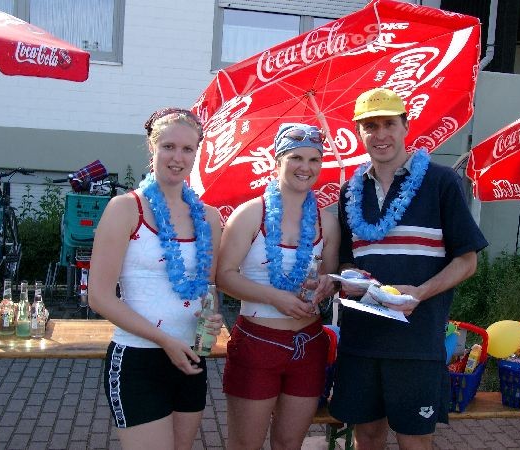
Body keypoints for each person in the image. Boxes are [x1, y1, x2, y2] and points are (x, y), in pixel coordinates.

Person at [329, 88, 488, 450]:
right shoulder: (350, 192)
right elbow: (348, 259)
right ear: (359, 132)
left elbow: (468, 261)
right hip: (361, 341)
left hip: (417, 341)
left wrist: (420, 293)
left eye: (389, 124)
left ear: (405, 127)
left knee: (414, 441)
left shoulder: (441, 182)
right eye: (370, 126)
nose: (380, 134)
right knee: (367, 437)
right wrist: (350, 277)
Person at [88, 107, 223, 450]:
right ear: (152, 147)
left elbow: (207, 290)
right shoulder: (125, 209)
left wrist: (211, 317)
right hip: (138, 358)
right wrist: (164, 340)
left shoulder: (209, 218)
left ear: (197, 153)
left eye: (187, 149)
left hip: (190, 357)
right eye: (168, 147)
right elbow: (99, 296)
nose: (178, 158)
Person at [216, 123, 341, 450]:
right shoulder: (249, 215)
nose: (306, 167)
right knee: (246, 445)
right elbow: (224, 276)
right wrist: (275, 297)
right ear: (277, 161)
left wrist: (325, 284)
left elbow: (331, 277)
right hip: (258, 342)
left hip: (309, 343)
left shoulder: (327, 222)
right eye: (296, 157)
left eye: (314, 159)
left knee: (289, 444)